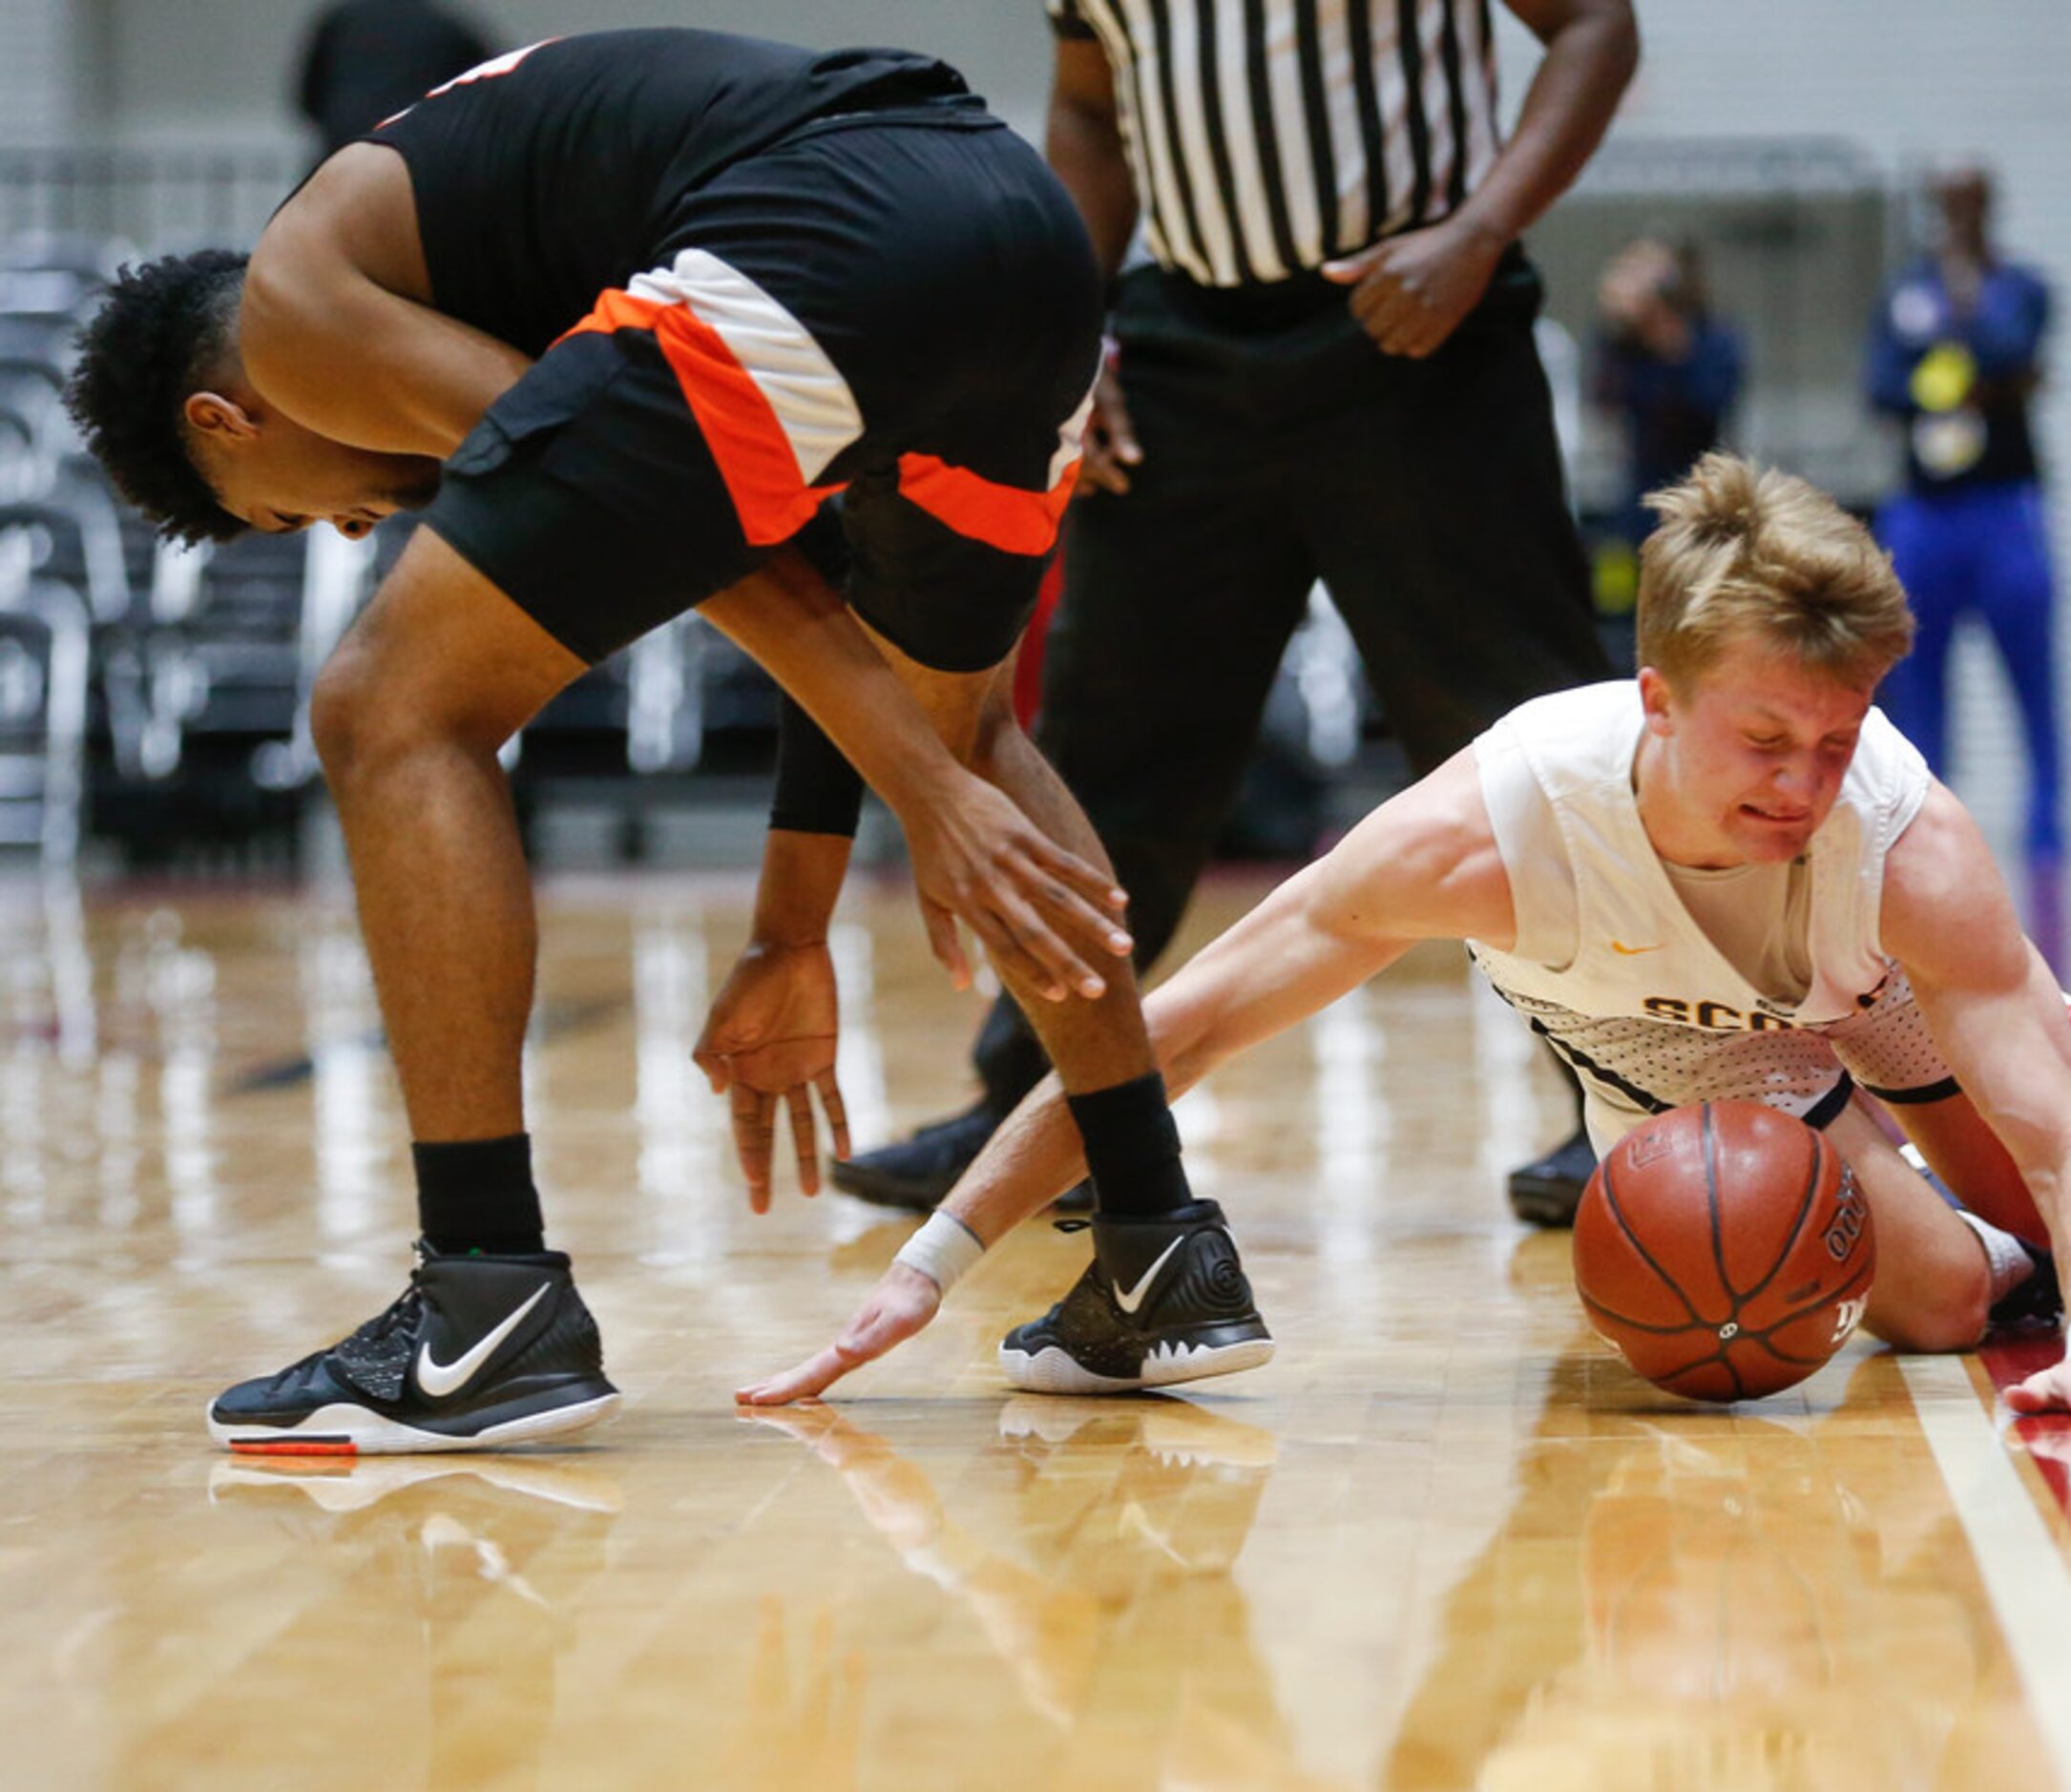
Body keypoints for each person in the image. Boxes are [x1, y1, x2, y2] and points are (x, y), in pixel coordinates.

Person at [67, 29, 1270, 1452]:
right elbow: (816, 594)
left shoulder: (294, 310)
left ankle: (482, 1297)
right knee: (972, 724)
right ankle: (1155, 1244)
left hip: (828, 231)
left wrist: (921, 788)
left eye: (288, 506)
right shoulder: (476, 232)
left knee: (387, 704)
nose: (349, 523)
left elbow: (721, 556)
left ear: (231, 415)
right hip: (1017, 235)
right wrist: (794, 919)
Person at [742, 455, 2071, 1420]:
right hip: (1681, 1049)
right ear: (1656, 699)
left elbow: (2053, 1139)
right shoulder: (1487, 833)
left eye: (1837, 739)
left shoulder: (1900, 835)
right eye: (1766, 737)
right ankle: (1981, 1250)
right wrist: (932, 1262)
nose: (1804, 781)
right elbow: (1171, 1030)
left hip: (1878, 984)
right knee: (1943, 1303)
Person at [820, 0, 1637, 1231]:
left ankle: (1628, 1109)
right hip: (1178, 355)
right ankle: (1036, 1107)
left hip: (1420, 325)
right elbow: (1090, 113)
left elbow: (1595, 27)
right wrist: (1069, 327)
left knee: (1520, 744)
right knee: (1108, 754)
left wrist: (1480, 232)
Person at [1864, 164, 2065, 878]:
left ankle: (2047, 846)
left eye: (1968, 202)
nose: (1955, 216)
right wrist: (1955, 376)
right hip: (1925, 512)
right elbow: (1884, 387)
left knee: (2034, 687)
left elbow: (2016, 352)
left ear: (1988, 206)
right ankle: (1925, 846)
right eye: (1944, 203)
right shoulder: (1905, 293)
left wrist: (1963, 321)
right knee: (1919, 688)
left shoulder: (2022, 288)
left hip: (2004, 506)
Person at [1592, 238, 1744, 541]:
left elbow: (1708, 403)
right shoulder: (1622, 346)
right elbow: (1605, 403)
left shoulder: (1715, 338)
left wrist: (1661, 332)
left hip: (1702, 485)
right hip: (1641, 489)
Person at [294, 0, 494, 160]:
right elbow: (495, 91)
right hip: (414, 159)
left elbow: (308, 98)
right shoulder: (448, 28)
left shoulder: (340, 20)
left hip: (342, 154)